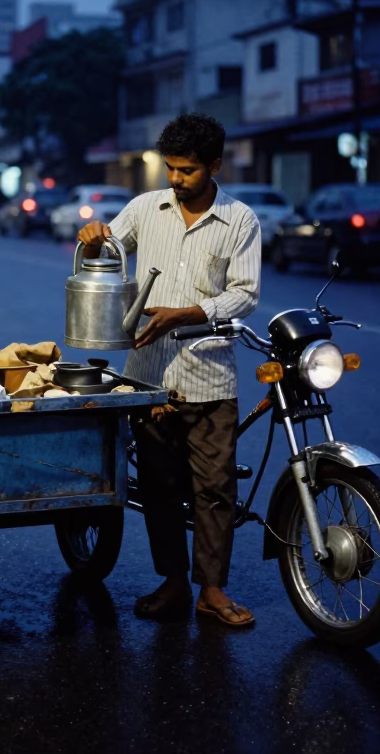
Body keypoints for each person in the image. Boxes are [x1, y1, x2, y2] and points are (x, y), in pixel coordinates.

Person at [78, 113, 260, 628]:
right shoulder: (145, 208)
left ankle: (213, 590)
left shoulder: (240, 219)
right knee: (159, 489)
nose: (176, 180)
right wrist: (94, 238)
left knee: (215, 490)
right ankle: (175, 583)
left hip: (211, 378)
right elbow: (109, 252)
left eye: (187, 171)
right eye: (170, 169)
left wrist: (188, 314)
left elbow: (244, 294)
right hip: (149, 379)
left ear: (215, 166)